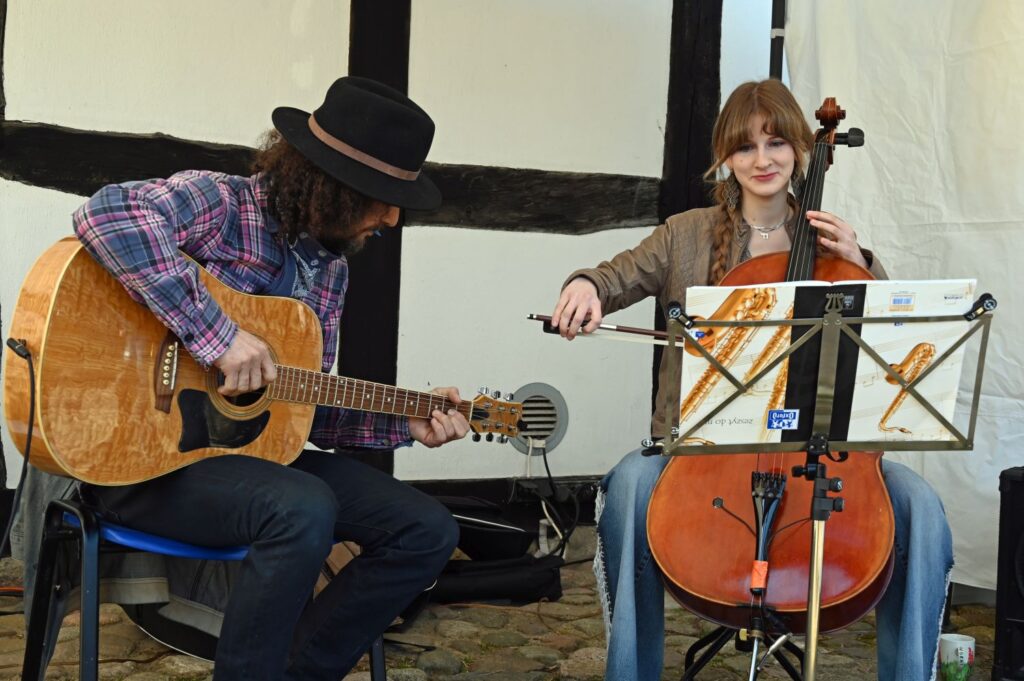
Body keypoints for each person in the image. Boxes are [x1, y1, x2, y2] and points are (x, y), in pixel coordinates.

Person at [20, 76, 470, 680]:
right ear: (332, 187)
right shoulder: (223, 205)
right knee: (303, 506)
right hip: (140, 458)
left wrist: (404, 422)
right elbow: (109, 214)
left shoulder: (330, 275)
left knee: (426, 529)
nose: (391, 217)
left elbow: (302, 407)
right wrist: (218, 336)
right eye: (380, 196)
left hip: (249, 463)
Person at [550, 79, 953, 681]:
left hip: (817, 450)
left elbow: (890, 341)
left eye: (776, 143)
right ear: (725, 158)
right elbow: (617, 276)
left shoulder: (832, 248)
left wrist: (864, 267)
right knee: (631, 484)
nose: (762, 160)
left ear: (800, 149)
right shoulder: (686, 234)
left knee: (918, 504)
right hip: (702, 450)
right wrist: (585, 284)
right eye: (745, 148)